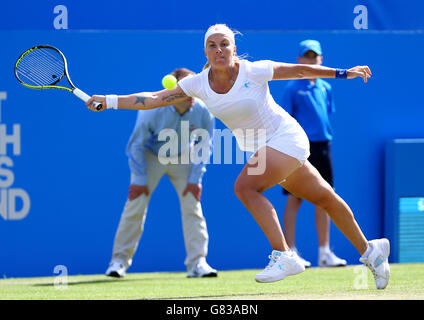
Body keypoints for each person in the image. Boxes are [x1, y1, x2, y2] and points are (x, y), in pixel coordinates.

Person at [87, 24, 390, 289]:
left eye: (224, 44)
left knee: (245, 188)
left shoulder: (254, 71)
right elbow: (152, 99)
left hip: (286, 137)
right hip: (264, 150)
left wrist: (342, 72)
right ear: (205, 51)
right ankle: (371, 251)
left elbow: (299, 70)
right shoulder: (196, 84)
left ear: (234, 47)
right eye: (212, 45)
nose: (219, 49)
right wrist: (110, 101)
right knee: (325, 198)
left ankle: (285, 255)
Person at [104, 68, 218, 278]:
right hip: (150, 156)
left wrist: (195, 179)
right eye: (186, 89)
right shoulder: (152, 110)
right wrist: (139, 179)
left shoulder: (203, 111)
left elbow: (205, 145)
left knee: (193, 206)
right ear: (173, 90)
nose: (192, 95)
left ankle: (198, 263)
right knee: (135, 204)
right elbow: (136, 145)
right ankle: (118, 262)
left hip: (184, 155)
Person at [281, 40, 347, 268]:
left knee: (325, 196)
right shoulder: (292, 88)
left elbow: (326, 113)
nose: (311, 60)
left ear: (321, 59)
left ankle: (324, 252)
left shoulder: (326, 88)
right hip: (300, 149)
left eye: (314, 56)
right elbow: (287, 120)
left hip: (323, 147)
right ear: (299, 61)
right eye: (306, 56)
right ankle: (290, 251)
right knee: (294, 197)